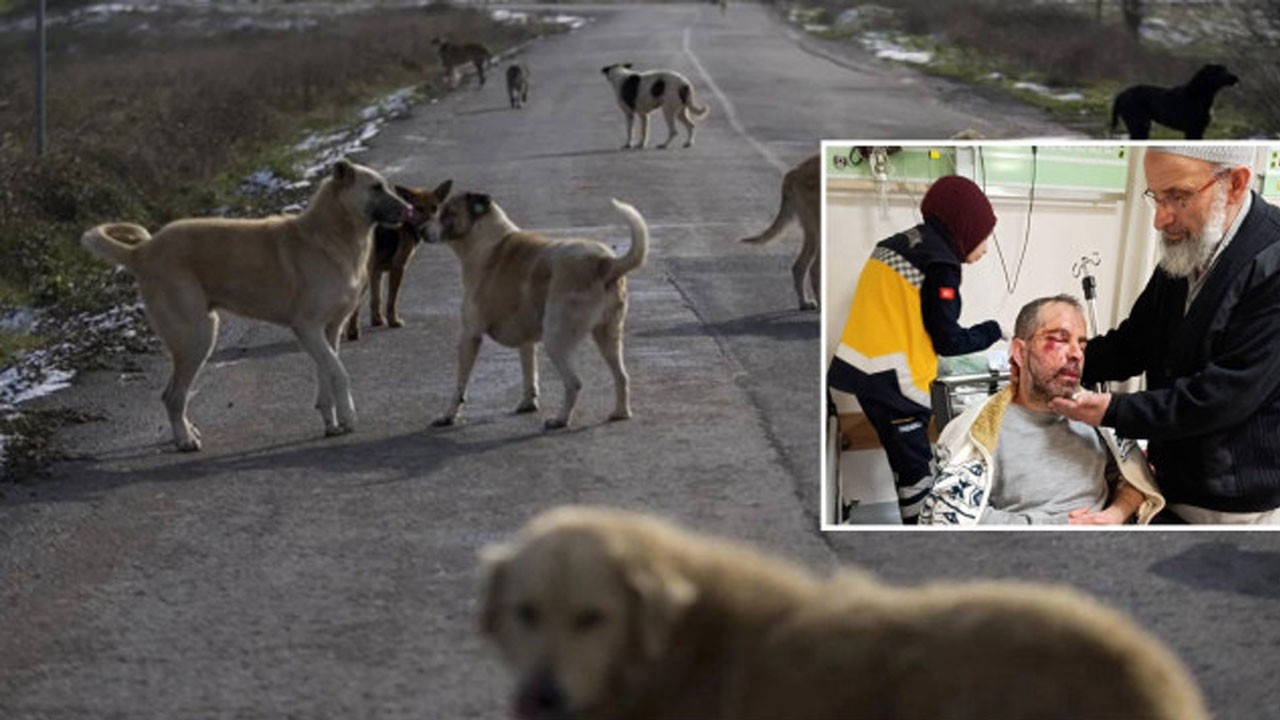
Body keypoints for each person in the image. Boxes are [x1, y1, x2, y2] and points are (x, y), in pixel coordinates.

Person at [1051, 146, 1280, 524]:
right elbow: (1135, 342)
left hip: (1235, 502)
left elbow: (1224, 397)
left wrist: (1113, 411)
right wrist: (1067, 362)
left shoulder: (1271, 264)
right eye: (1156, 197)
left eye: (1178, 196)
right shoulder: (1189, 248)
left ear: (1236, 183)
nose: (1160, 218)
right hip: (1170, 480)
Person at [829, 175, 1003, 524]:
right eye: (984, 236)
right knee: (917, 475)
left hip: (861, 373)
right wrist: (994, 330)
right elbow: (948, 340)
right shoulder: (942, 264)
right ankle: (922, 534)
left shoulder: (899, 243)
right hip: (894, 383)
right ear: (963, 227)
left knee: (905, 462)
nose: (985, 248)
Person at [922, 295, 1164, 525]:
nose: (1077, 354)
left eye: (1082, 345)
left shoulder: (1096, 421)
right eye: (1060, 340)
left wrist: (1113, 516)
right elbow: (956, 519)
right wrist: (1056, 526)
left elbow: (1133, 480)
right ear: (1019, 352)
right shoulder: (979, 433)